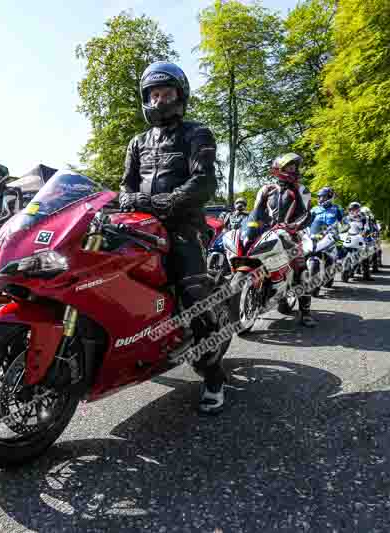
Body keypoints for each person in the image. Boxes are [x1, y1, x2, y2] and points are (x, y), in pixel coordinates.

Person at [118, 60, 226, 415]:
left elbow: (204, 181)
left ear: (180, 95)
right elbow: (125, 185)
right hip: (140, 225)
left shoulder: (197, 133)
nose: (159, 99)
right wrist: (129, 201)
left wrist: (167, 202)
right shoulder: (137, 141)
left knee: (195, 294)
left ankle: (212, 375)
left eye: (166, 92)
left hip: (184, 225)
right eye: (153, 93)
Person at [254, 153, 317, 328]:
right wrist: (252, 225)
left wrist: (293, 226)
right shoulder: (266, 189)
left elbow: (307, 215)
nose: (294, 170)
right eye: (290, 167)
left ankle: (305, 313)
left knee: (301, 270)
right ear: (279, 168)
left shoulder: (301, 189)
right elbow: (256, 212)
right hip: (266, 233)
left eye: (295, 167)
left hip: (291, 234)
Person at [344, 201, 373, 280]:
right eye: (352, 209)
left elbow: (367, 227)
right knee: (340, 248)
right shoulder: (346, 218)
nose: (354, 211)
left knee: (365, 253)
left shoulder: (364, 218)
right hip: (349, 236)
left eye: (356, 209)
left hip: (360, 236)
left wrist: (365, 232)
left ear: (359, 209)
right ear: (349, 210)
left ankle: (366, 275)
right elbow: (341, 227)